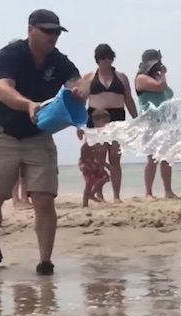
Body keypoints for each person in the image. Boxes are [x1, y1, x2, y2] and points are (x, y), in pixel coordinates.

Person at [0, 9, 84, 275]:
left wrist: (83, 90)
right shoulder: (11, 54)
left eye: (57, 32)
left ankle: (45, 262)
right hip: (3, 134)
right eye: (47, 31)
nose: (53, 36)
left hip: (39, 136)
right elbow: (3, 89)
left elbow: (77, 83)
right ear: (30, 30)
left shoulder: (60, 61)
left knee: (44, 199)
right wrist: (27, 104)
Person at [79, 44, 138, 203]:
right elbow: (81, 103)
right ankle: (98, 193)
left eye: (109, 57)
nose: (106, 61)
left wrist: (137, 119)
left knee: (115, 157)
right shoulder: (89, 77)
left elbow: (129, 99)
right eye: (103, 58)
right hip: (96, 117)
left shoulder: (121, 77)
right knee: (98, 158)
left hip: (117, 116)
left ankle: (117, 195)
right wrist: (80, 125)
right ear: (98, 60)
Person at [135, 48, 177, 199]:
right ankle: (148, 192)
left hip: (165, 123)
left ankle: (168, 190)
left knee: (166, 157)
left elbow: (168, 94)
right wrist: (164, 74)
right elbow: (160, 87)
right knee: (152, 159)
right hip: (151, 124)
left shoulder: (158, 78)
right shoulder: (141, 78)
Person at [79, 109, 111, 207]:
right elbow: (89, 150)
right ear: (95, 122)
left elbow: (98, 152)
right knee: (88, 183)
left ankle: (92, 194)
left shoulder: (103, 135)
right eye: (104, 123)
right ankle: (85, 204)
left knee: (105, 178)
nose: (106, 126)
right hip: (86, 162)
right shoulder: (92, 134)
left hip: (94, 161)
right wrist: (105, 164)